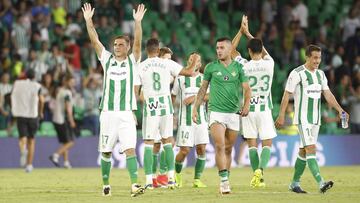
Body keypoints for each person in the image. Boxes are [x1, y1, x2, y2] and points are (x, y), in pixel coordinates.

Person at [82, 3, 146, 197]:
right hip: (108, 114)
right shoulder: (106, 59)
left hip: (126, 114)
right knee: (106, 152)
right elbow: (95, 41)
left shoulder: (132, 60)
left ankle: (135, 185)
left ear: (127, 47)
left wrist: (137, 23)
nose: (117, 47)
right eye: (115, 45)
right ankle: (106, 185)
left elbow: (138, 43)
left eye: (121, 45)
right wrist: (88, 21)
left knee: (130, 150)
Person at [275, 45, 350, 193]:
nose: (317, 61)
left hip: (316, 119)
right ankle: (321, 183)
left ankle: (294, 184)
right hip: (303, 119)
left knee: (303, 151)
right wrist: (281, 114)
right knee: (311, 148)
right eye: (315, 57)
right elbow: (286, 94)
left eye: (319, 58)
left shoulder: (321, 74)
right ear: (307, 57)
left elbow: (328, 95)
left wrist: (340, 109)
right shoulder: (297, 73)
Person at [137, 38, 199, 190]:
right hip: (166, 106)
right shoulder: (167, 63)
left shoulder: (140, 66)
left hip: (151, 106)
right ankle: (171, 179)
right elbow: (190, 72)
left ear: (147, 51)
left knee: (148, 144)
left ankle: (149, 181)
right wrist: (195, 59)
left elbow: (137, 91)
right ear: (158, 51)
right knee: (168, 142)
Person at [192, 37, 251, 194]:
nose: (218, 50)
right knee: (220, 145)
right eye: (217, 48)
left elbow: (247, 89)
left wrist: (246, 105)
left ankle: (226, 178)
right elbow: (203, 90)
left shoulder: (238, 68)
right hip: (216, 113)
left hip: (233, 113)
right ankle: (224, 181)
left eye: (222, 48)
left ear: (230, 50)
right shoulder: (211, 67)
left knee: (229, 149)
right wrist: (195, 108)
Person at [232, 16, 277, 188]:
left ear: (249, 51)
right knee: (267, 143)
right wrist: (249, 33)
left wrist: (241, 31)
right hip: (264, 109)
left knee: (252, 144)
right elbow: (263, 50)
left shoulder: (243, 65)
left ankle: (256, 176)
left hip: (248, 109)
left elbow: (231, 51)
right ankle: (260, 172)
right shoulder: (269, 63)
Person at [172, 52, 209, 188]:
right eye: (191, 59)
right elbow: (173, 96)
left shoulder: (205, 79)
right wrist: (172, 114)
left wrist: (194, 98)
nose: (194, 62)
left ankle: (197, 180)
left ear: (200, 64)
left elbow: (210, 96)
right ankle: (176, 175)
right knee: (184, 151)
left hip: (201, 120)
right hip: (184, 120)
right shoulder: (180, 78)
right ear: (188, 61)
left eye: (197, 60)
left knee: (202, 148)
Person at [11, 69, 44, 172]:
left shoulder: (17, 83)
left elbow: (12, 95)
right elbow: (42, 100)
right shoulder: (37, 86)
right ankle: (29, 165)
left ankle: (22, 150)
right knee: (32, 141)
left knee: (22, 138)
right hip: (33, 115)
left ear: (25, 75)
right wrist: (41, 111)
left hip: (21, 114)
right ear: (34, 76)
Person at [152, 47, 173, 187]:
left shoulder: (169, 74)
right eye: (167, 59)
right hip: (154, 112)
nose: (169, 62)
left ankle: (162, 175)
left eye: (171, 60)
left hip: (166, 111)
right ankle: (154, 177)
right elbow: (141, 95)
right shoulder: (152, 71)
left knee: (168, 143)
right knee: (155, 145)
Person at [49, 75, 76, 169]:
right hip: (62, 119)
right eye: (71, 82)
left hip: (56, 119)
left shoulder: (60, 91)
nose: (73, 84)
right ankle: (55, 155)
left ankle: (66, 162)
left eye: (74, 82)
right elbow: (68, 107)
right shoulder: (67, 93)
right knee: (71, 142)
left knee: (65, 142)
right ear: (66, 82)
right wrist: (71, 120)